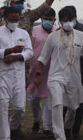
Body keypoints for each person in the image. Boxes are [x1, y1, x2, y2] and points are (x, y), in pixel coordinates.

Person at [34, 7, 83, 140]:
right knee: (57, 105)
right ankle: (60, 136)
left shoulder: (81, 36)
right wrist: (38, 75)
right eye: (65, 21)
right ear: (60, 21)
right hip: (55, 77)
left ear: (75, 19)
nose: (68, 23)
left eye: (70, 20)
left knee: (73, 108)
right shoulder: (52, 37)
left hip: (74, 78)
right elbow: (43, 58)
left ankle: (67, 127)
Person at [0, 7, 33, 140]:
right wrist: (10, 50)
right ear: (5, 19)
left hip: (18, 76)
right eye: (11, 20)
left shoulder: (23, 33)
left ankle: (12, 128)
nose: (14, 22)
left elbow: (30, 52)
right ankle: (5, 137)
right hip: (2, 76)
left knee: (19, 108)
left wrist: (16, 56)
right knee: (3, 109)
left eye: (16, 20)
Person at [63, 6, 83, 138]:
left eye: (70, 18)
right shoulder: (59, 32)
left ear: (75, 16)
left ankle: (76, 129)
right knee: (63, 101)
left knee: (78, 102)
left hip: (80, 72)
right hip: (63, 72)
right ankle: (64, 128)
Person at [27, 8, 57, 137]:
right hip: (34, 71)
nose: (48, 22)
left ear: (54, 20)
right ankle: (37, 119)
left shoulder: (57, 32)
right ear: (41, 19)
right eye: (45, 19)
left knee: (48, 99)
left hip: (51, 71)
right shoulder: (33, 31)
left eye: (50, 20)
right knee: (33, 100)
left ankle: (46, 127)